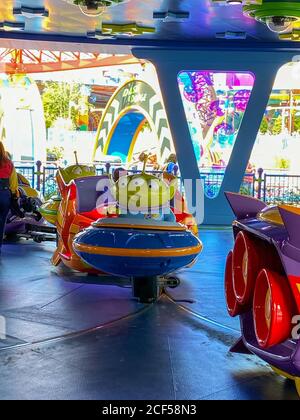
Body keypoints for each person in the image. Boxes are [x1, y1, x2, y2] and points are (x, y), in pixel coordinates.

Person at [0, 142, 19, 255]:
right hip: (4, 195)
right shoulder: (9, 163)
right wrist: (14, 194)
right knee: (2, 222)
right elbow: (13, 183)